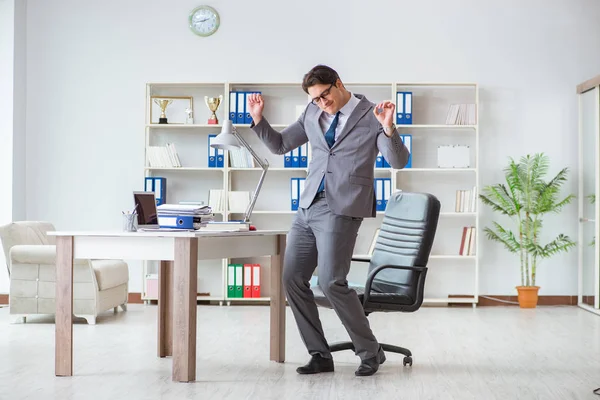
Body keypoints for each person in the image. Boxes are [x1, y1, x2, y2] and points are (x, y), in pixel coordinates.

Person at [247, 64, 410, 376]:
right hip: (308, 206)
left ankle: (370, 351)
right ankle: (320, 354)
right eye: (316, 99)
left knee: (331, 282)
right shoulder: (311, 113)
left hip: (343, 206)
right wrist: (258, 119)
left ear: (338, 84)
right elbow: (281, 145)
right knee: (292, 279)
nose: (322, 103)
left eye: (325, 95)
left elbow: (398, 161)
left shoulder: (370, 114)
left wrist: (389, 127)